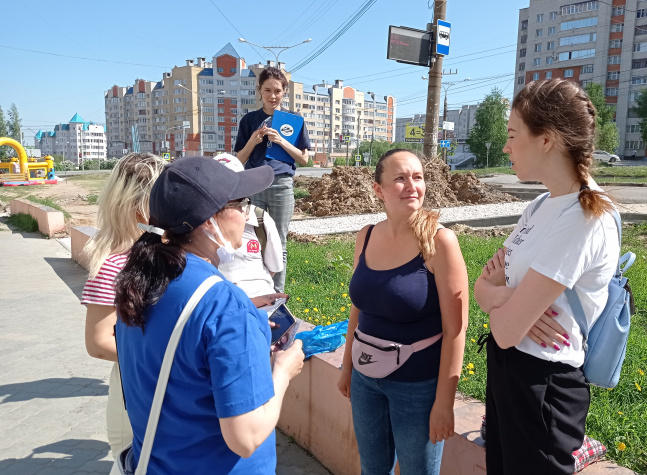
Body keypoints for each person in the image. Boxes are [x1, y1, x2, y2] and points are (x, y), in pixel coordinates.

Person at [114, 156, 305, 474]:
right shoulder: (225, 306)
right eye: (241, 204)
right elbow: (246, 438)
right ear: (208, 221)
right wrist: (284, 371)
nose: (246, 214)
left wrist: (248, 330)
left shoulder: (141, 282)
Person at [473, 79, 620, 475]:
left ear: (546, 139)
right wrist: (507, 299)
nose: (505, 147)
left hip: (543, 385)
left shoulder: (583, 217)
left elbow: (506, 329)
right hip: (508, 371)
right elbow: (482, 286)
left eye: (512, 135)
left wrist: (501, 299)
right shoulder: (539, 206)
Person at [337, 149, 469, 475]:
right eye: (400, 178)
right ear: (378, 189)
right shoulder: (366, 236)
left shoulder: (439, 242)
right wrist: (347, 366)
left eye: (418, 177)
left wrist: (444, 403)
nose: (412, 186)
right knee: (372, 470)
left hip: (417, 387)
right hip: (365, 378)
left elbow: (456, 330)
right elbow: (358, 308)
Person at [80, 152, 165, 456]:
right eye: (164, 195)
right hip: (136, 392)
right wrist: (167, 358)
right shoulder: (114, 264)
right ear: (140, 205)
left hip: (158, 386)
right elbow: (98, 343)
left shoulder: (157, 252)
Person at [234, 66, 311, 293]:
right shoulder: (249, 120)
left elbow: (304, 159)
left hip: (281, 185)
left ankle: (277, 294)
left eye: (277, 90)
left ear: (284, 91)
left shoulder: (294, 120)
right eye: (267, 90)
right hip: (254, 184)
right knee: (253, 239)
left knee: (279, 241)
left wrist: (281, 141)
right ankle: (256, 289)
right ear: (259, 90)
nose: (272, 96)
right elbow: (239, 159)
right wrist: (253, 141)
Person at [212, 153, 287, 307]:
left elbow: (273, 268)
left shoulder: (260, 219)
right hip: (222, 307)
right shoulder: (198, 226)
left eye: (234, 187)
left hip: (263, 303)